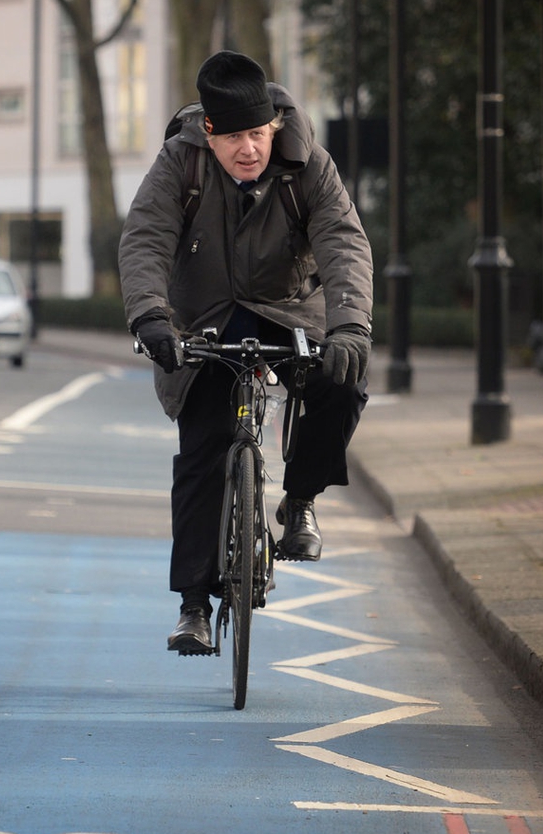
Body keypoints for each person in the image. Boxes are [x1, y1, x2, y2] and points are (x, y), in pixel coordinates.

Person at [118, 51, 374, 656]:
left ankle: (302, 500)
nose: (249, 149)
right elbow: (146, 237)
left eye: (257, 134)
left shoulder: (308, 164)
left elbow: (342, 242)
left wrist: (350, 328)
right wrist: (151, 316)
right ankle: (193, 606)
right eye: (234, 137)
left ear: (273, 127)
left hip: (289, 310)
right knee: (203, 449)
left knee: (342, 382)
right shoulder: (181, 161)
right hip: (202, 320)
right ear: (210, 133)